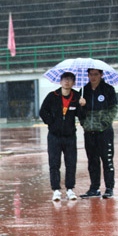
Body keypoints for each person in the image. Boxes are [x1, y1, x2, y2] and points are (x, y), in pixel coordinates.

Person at [39, 72, 84, 201]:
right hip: (54, 136)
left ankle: (70, 189)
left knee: (71, 163)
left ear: (73, 82)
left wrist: (82, 106)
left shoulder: (77, 96)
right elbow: (43, 111)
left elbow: (81, 116)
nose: (67, 82)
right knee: (54, 163)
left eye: (70, 79)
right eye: (64, 79)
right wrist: (52, 123)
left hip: (70, 136)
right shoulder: (52, 96)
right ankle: (56, 190)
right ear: (60, 81)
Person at [79, 68, 118, 199]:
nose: (93, 77)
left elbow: (113, 108)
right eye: (91, 74)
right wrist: (82, 107)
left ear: (101, 74)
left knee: (107, 160)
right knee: (92, 161)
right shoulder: (84, 91)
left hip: (104, 132)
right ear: (88, 75)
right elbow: (80, 113)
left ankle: (109, 188)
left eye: (96, 74)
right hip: (89, 132)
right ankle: (94, 188)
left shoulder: (108, 89)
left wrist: (104, 123)